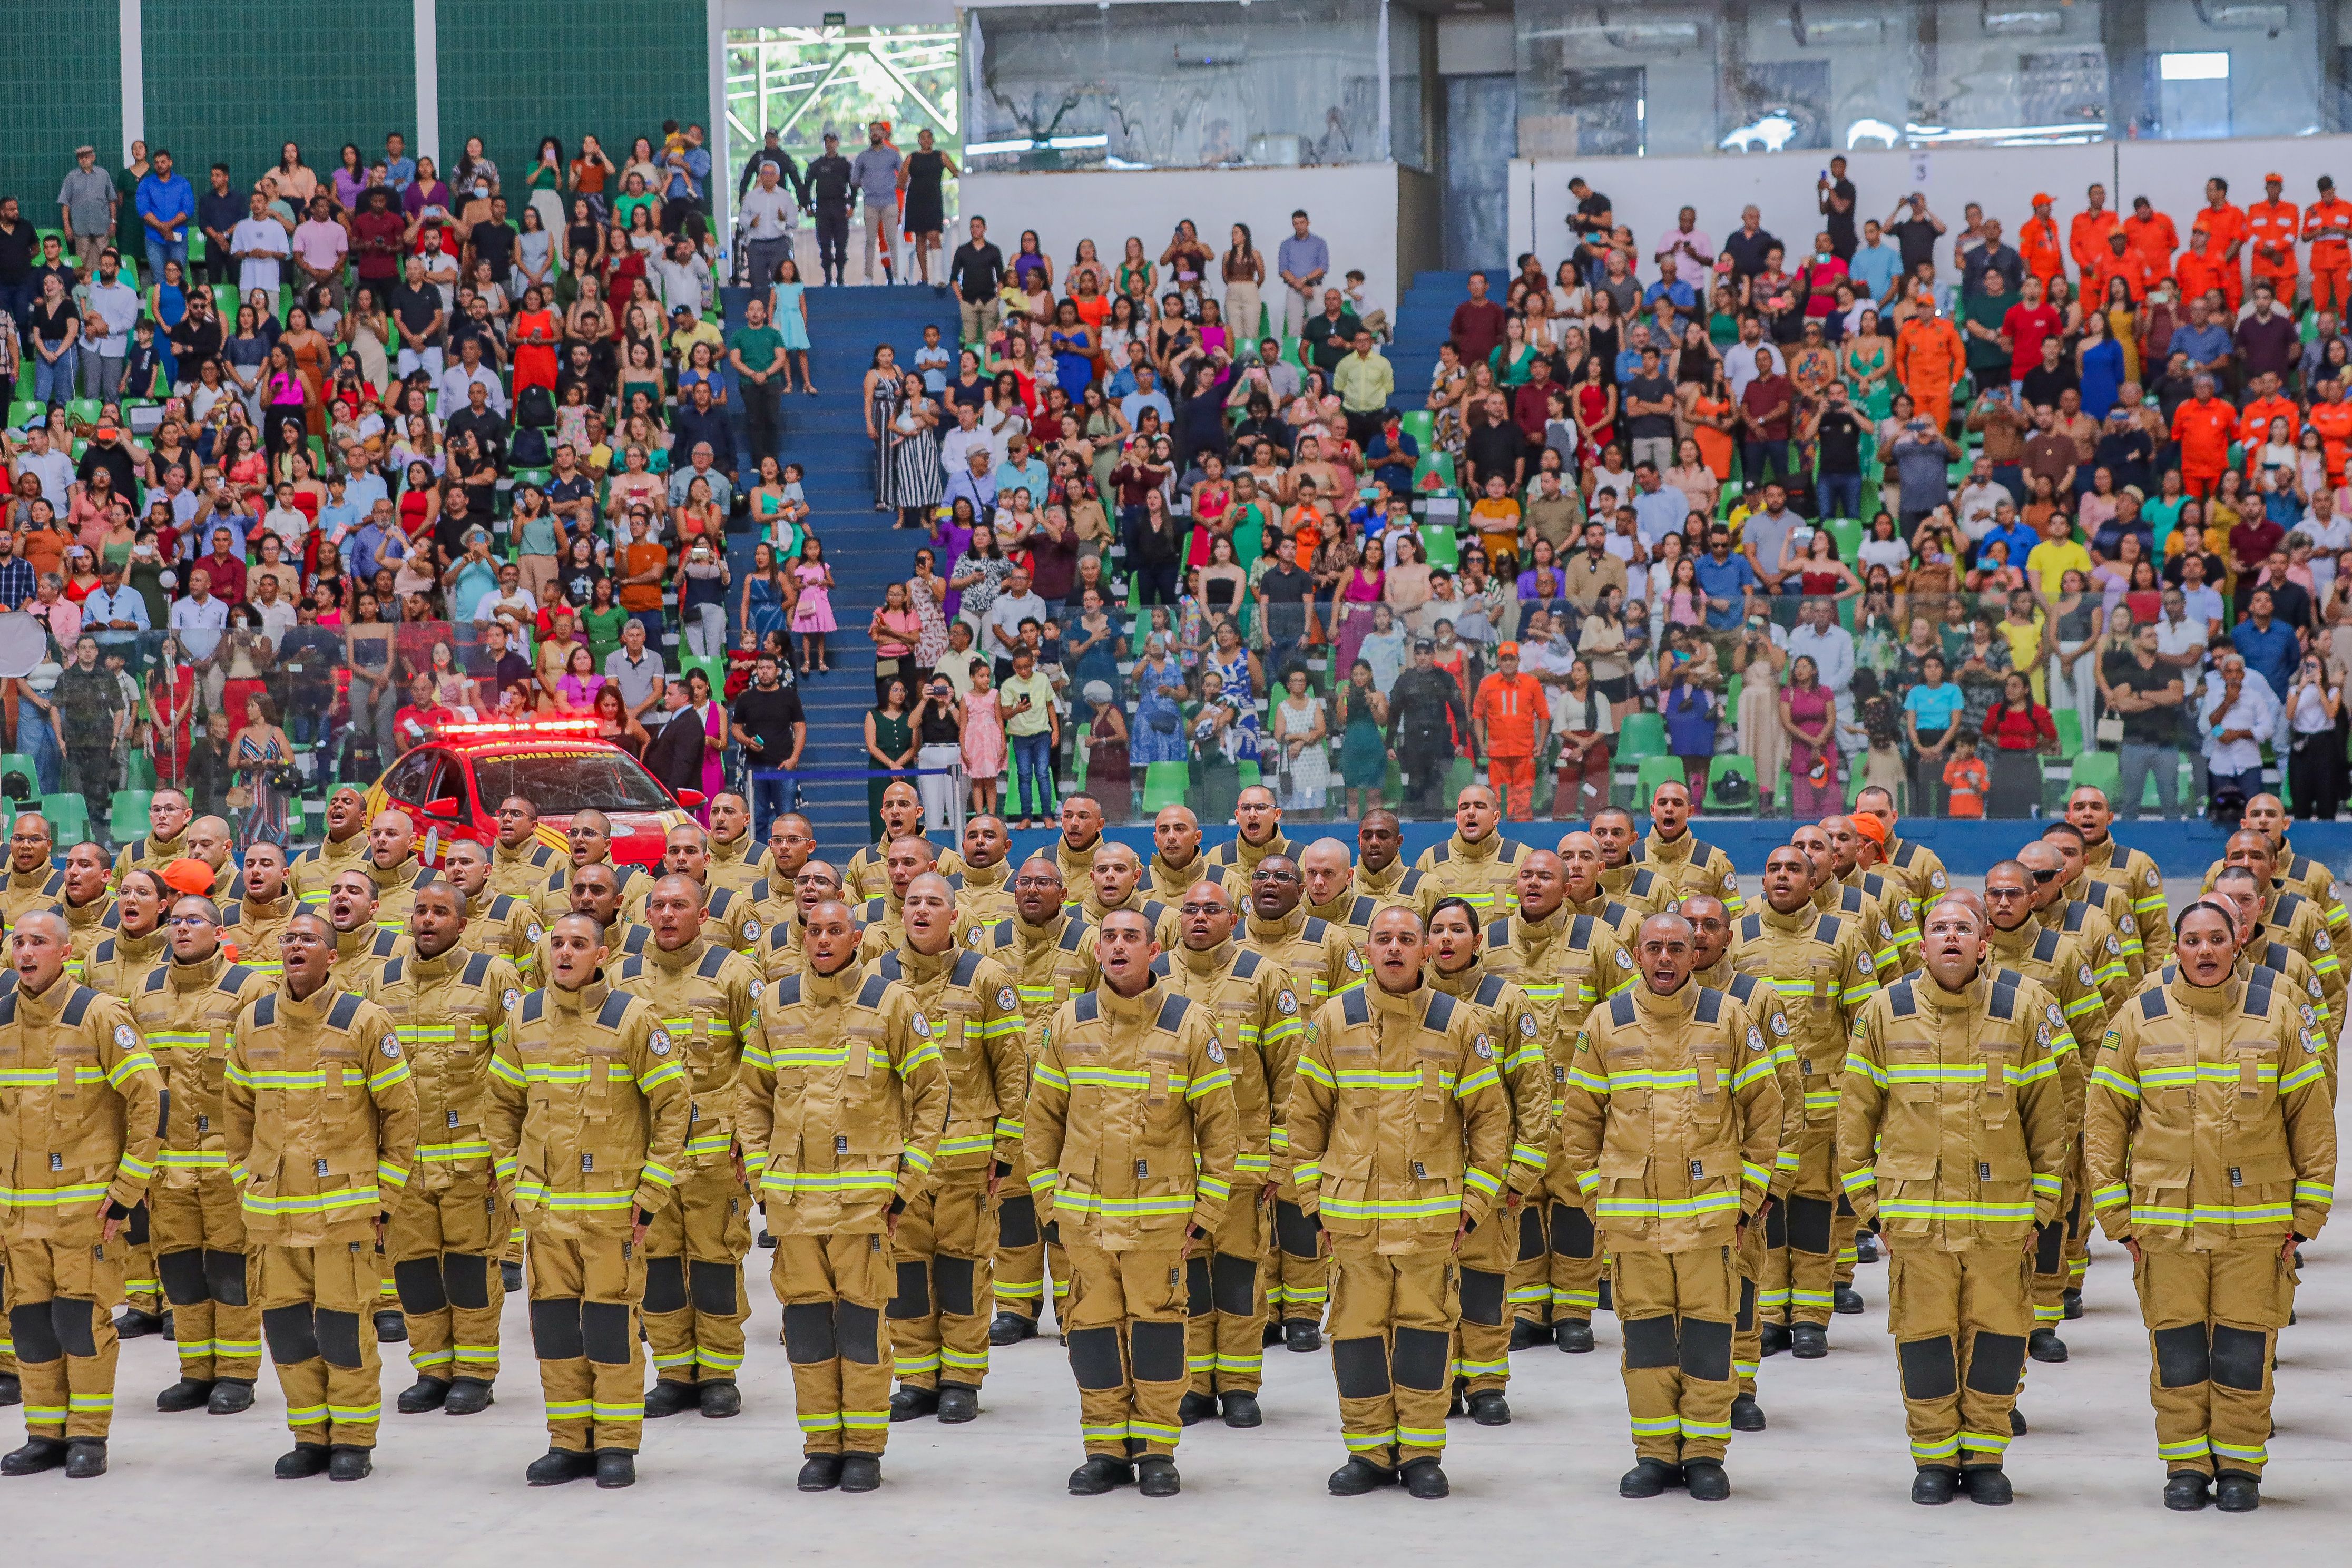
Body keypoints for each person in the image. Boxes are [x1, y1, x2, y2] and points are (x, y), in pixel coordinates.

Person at [2084, 898, 2334, 1514]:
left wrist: (2306, 1217)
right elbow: (2103, 1122)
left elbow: (2313, 1122)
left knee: (2246, 1351)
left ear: (2237, 945)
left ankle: (2242, 1466)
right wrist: (2118, 1218)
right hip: (2165, 1227)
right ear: (2176, 950)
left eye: (2216, 939)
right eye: (2192, 940)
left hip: (2256, 1226)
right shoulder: (2140, 1018)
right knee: (2179, 1352)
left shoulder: (2277, 1016)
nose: (2204, 951)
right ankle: (2186, 1463)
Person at [1836, 895, 2069, 1506]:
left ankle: (1986, 1455)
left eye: (1962, 929)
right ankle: (1935, 1456)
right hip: (1917, 1219)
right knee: (1925, 1337)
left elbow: (2049, 1120)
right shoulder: (1884, 1012)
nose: (1950, 938)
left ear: (1983, 944)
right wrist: (1871, 1208)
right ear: (1922, 945)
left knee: (1998, 1337)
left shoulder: (2021, 1011)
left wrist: (2042, 1209)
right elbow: (1855, 1119)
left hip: (2002, 1218)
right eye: (1939, 929)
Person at [1555, 909, 1780, 1502]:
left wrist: (1748, 1197)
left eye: (1676, 948)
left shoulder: (1730, 1018)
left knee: (1710, 1335)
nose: (1664, 959)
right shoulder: (1607, 1023)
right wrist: (1596, 1197)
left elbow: (1765, 1113)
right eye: (1653, 947)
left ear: (1694, 953)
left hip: (1713, 1216)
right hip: (1634, 1219)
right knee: (1648, 1337)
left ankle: (1706, 1454)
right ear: (1635, 952)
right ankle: (1655, 1452)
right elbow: (1579, 1122)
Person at [1026, 906, 1237, 1497]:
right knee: (1090, 1331)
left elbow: (1221, 1129)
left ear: (1155, 950)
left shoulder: (1191, 1023)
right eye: (1110, 938)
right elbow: (1041, 1123)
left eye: (1131, 938)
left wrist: (1207, 1213)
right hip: (1085, 1220)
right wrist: (1050, 1203)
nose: (1119, 947)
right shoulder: (1068, 1022)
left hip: (1160, 1221)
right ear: (1098, 952)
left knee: (1159, 1332)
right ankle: (1104, 1449)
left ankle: (1157, 1450)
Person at [482, 910, 686, 1489]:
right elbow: (500, 1106)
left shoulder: (632, 1019)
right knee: (555, 1330)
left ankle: (617, 1444)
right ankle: (568, 1440)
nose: (565, 953)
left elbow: (673, 1107)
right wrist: (512, 1178)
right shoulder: (524, 1019)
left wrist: (651, 1190)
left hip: (613, 1212)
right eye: (557, 944)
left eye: (578, 944)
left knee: (607, 1328)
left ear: (601, 955)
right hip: (546, 1213)